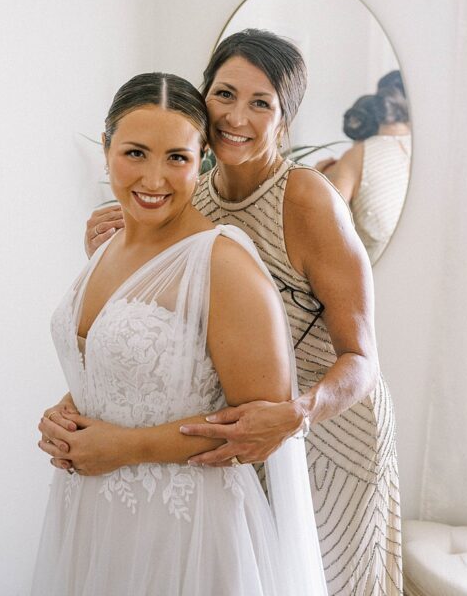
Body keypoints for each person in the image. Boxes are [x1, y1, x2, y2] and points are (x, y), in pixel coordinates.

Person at [64, 30, 400, 595]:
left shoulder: (308, 199)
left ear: (284, 120)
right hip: (236, 425)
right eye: (224, 94)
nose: (235, 116)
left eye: (260, 103)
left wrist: (300, 413)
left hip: (329, 431)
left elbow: (362, 356)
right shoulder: (185, 190)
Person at [32, 73, 325, 595]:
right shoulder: (107, 247)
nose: (154, 178)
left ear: (202, 160)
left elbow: (259, 430)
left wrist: (126, 448)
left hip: (184, 526)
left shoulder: (221, 262)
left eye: (177, 158)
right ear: (106, 148)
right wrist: (65, 413)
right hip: (92, 514)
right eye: (136, 153)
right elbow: (116, 367)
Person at [317, 82, 412, 261]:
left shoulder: (356, 156)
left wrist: (316, 178)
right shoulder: (427, 151)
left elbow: (325, 224)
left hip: (377, 274)